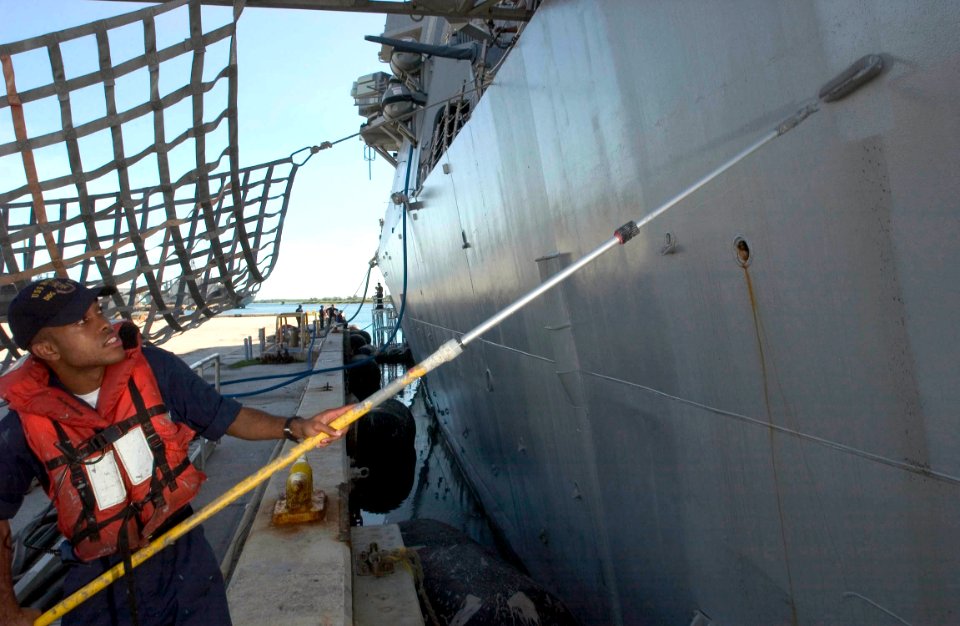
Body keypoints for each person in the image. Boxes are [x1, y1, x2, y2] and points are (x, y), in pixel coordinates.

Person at [0, 278, 351, 626]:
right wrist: (8, 610)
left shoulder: (155, 368)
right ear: (47, 349)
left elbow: (225, 416)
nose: (104, 324)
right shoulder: (23, 425)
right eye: (82, 322)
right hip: (99, 583)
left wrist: (296, 427)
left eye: (98, 311)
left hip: (182, 555)